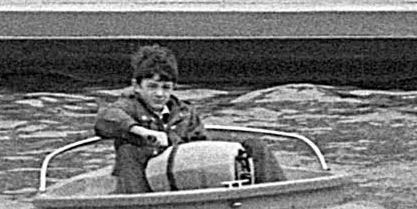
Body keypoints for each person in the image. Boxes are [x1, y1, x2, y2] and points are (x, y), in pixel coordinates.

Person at [90, 43, 285, 193]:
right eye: (152, 86)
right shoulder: (128, 105)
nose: (159, 94)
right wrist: (142, 132)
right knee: (130, 150)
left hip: (178, 179)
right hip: (141, 185)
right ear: (137, 86)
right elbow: (105, 120)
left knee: (254, 145)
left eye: (166, 88)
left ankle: (277, 196)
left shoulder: (184, 113)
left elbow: (201, 144)